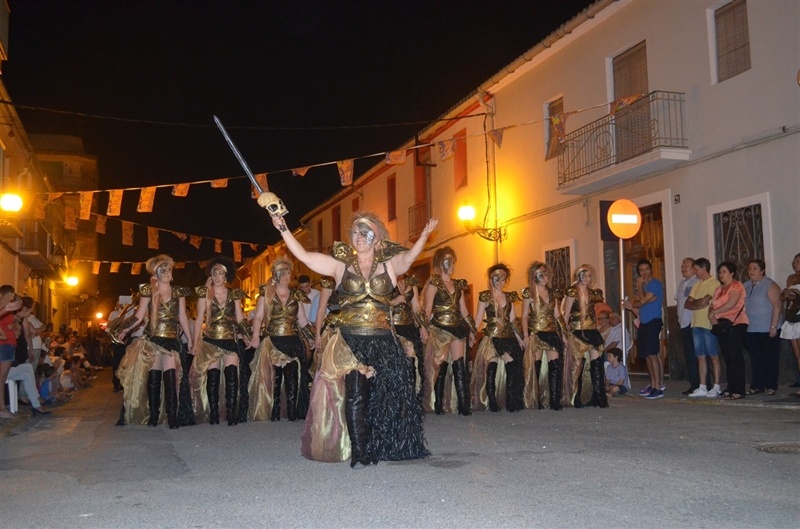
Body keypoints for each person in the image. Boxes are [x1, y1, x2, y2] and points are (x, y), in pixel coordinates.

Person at [271, 208, 435, 467]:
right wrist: (283, 228)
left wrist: (424, 236)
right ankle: (359, 452)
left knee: (381, 395)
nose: (359, 235)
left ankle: (377, 444)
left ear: (377, 238)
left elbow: (409, 259)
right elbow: (304, 256)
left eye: (365, 231)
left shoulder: (389, 265)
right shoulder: (341, 266)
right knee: (356, 392)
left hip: (383, 339)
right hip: (351, 339)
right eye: (356, 231)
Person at [117, 255, 194, 428]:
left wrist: (190, 339)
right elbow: (139, 316)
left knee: (171, 377)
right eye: (162, 270)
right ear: (155, 274)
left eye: (168, 270)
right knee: (154, 378)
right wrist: (125, 329)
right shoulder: (148, 291)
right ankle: (153, 415)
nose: (166, 273)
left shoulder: (179, 292)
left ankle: (172, 417)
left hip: (171, 340)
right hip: (152, 340)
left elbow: (183, 317)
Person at [248, 258, 312, 422]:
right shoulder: (266, 294)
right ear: (275, 275)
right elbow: (258, 317)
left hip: (292, 339)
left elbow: (302, 320)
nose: (285, 276)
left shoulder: (296, 295)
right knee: (275, 375)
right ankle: (274, 409)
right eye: (281, 273)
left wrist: (312, 337)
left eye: (288, 273)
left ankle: (292, 410)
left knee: (292, 374)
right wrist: (255, 337)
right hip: (273, 339)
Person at [191, 256, 246, 426]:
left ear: (226, 276)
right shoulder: (204, 295)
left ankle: (231, 413)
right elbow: (199, 319)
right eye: (214, 273)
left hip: (230, 339)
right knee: (213, 376)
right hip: (211, 340)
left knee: (232, 374)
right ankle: (214, 413)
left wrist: (248, 336)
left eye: (220, 273)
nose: (216, 276)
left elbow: (240, 318)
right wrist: (194, 343)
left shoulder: (234, 294)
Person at [422, 246, 476, 416]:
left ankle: (463, 405)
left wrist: (472, 330)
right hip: (439, 328)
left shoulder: (458, 285)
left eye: (453, 261)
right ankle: (438, 403)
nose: (452, 265)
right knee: (441, 366)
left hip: (457, 327)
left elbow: (464, 311)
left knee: (459, 365)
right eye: (448, 261)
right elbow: (427, 309)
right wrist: (423, 328)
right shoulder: (434, 284)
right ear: (440, 262)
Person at [471, 264, 524, 412]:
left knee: (511, 365)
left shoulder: (509, 297)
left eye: (503, 279)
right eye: (497, 278)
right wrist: (472, 333)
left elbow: (512, 321)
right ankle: (492, 400)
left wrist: (520, 338)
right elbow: (478, 317)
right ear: (491, 279)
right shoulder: (485, 297)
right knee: (491, 366)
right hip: (491, 337)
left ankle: (511, 400)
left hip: (507, 337)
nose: (500, 282)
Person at [521, 261, 565, 411]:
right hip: (536, 333)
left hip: (551, 333)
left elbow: (558, 315)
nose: (545, 278)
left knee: (555, 365)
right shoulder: (529, 294)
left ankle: (554, 399)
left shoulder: (553, 293)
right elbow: (524, 316)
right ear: (534, 276)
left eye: (546, 275)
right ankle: (536, 398)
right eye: (541, 275)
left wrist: (564, 334)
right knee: (536, 367)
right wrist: (525, 335)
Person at [562, 264, 607, 408]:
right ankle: (577, 398)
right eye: (584, 275)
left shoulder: (593, 293)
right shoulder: (572, 292)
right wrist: (563, 333)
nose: (587, 278)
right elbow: (566, 314)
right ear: (578, 276)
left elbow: (593, 313)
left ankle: (598, 397)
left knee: (596, 363)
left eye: (589, 275)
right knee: (578, 365)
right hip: (576, 331)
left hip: (591, 330)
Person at [622, 259, 664, 399]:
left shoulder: (654, 284)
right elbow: (636, 302)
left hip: (653, 321)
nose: (644, 272)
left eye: (647, 269)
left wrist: (640, 287)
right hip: (644, 322)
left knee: (652, 354)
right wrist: (642, 300)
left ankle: (658, 386)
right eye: (641, 270)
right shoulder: (645, 286)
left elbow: (642, 300)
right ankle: (652, 384)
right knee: (647, 355)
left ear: (651, 269)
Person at [709, 261, 748, 400]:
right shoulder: (719, 289)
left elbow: (731, 304)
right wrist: (713, 319)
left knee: (735, 357)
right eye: (720, 272)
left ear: (732, 273)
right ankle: (731, 387)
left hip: (736, 324)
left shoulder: (736, 285)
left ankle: (739, 389)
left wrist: (714, 313)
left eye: (724, 271)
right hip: (722, 325)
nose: (721, 274)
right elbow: (712, 306)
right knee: (727, 358)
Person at [743, 259, 782, 396]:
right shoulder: (746, 285)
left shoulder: (770, 285)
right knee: (756, 359)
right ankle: (757, 385)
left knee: (770, 358)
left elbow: (777, 306)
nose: (751, 271)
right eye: (749, 269)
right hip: (751, 328)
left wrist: (773, 326)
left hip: (767, 327)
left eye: (755, 269)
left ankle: (771, 386)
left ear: (762, 270)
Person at [686, 258, 723, 398]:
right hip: (696, 324)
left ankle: (717, 386)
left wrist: (697, 302)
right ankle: (702, 387)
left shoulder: (715, 283)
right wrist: (699, 303)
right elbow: (687, 304)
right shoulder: (697, 284)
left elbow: (706, 301)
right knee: (700, 356)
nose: (695, 272)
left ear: (704, 268)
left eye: (696, 269)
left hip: (708, 324)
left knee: (713, 355)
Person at [390, 273, 428, 397]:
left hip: (409, 327)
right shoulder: (385, 279)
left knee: (412, 362)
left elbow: (416, 307)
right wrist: (393, 302)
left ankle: (411, 398)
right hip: (391, 328)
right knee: (396, 364)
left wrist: (423, 326)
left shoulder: (411, 281)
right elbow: (376, 304)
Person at [675, 257, 700, 395]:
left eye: (686, 266)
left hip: (693, 323)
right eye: (682, 266)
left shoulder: (697, 282)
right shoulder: (682, 283)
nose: (683, 269)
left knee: (697, 356)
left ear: (694, 269)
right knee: (689, 356)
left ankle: (703, 384)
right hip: (683, 324)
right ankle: (694, 384)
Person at [0, 286, 23, 419]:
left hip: (8, 344)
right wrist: (16, 319)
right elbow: (8, 327)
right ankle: (2, 408)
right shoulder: (6, 312)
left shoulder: (6, 311)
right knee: (2, 378)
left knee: (2, 378)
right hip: (5, 345)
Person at [780, 253, 800, 396]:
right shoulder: (791, 278)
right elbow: (782, 297)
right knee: (797, 354)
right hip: (792, 315)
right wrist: (786, 294)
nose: (795, 263)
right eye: (794, 261)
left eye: (798, 261)